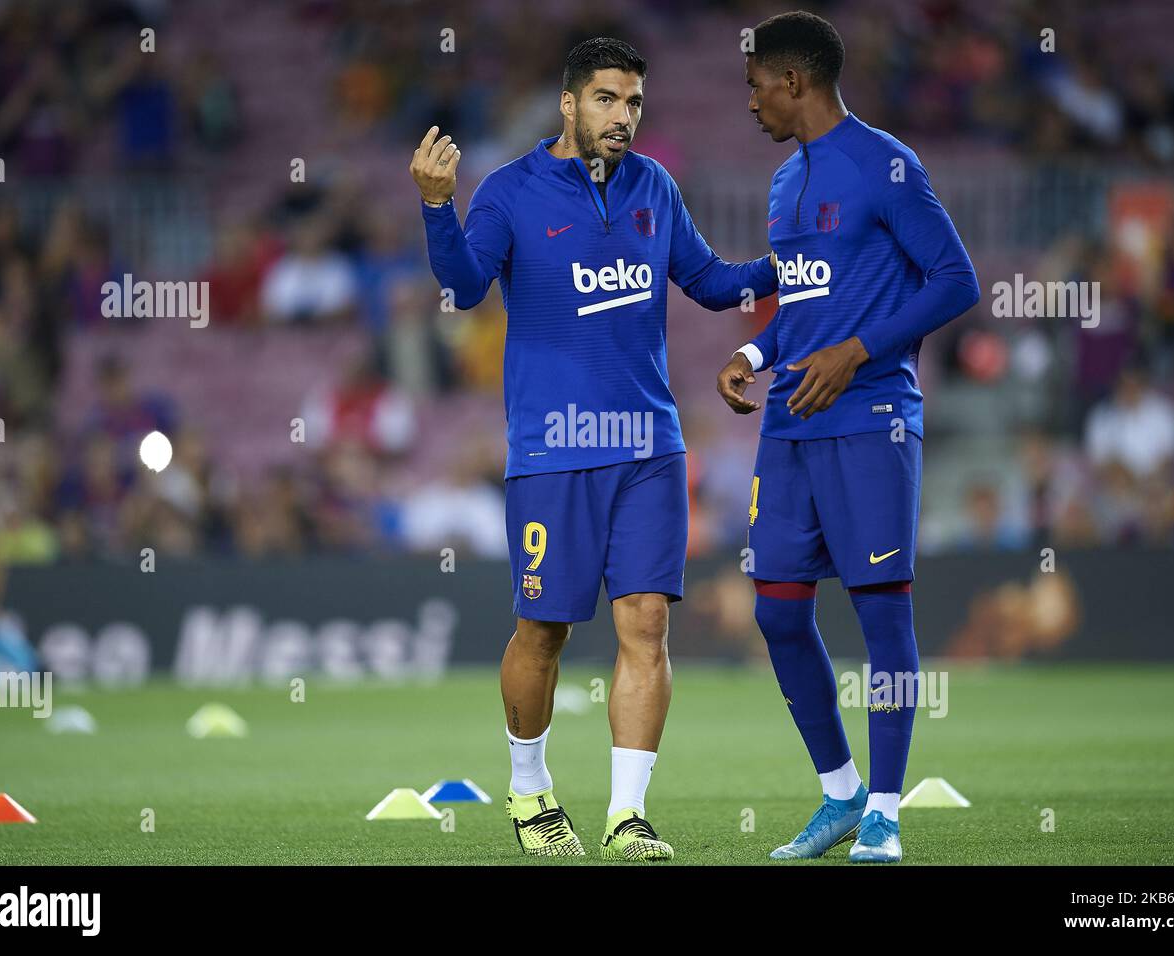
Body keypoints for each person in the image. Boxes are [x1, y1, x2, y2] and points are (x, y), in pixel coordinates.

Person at [413, 37, 777, 860]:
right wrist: (438, 208)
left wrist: (794, 263)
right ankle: (531, 791)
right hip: (554, 451)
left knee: (646, 625)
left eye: (635, 103)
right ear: (569, 104)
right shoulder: (510, 192)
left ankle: (626, 815)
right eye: (608, 100)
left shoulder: (655, 187)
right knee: (542, 631)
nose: (624, 117)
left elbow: (715, 282)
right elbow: (465, 287)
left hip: (650, 447)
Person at [716, 11, 979, 863]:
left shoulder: (885, 165)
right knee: (777, 613)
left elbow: (956, 281)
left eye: (756, 85)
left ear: (794, 81)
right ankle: (838, 794)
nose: (749, 101)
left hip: (871, 419)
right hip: (791, 422)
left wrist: (861, 350)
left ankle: (887, 811)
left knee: (880, 617)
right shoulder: (784, 184)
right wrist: (756, 350)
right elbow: (804, 298)